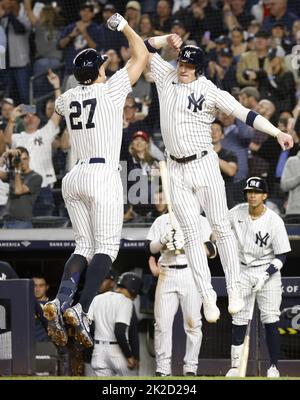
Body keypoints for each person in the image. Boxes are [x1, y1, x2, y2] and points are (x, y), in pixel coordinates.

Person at [144, 33, 293, 323]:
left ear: (199, 68)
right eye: (181, 63)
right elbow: (142, 48)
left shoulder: (210, 90)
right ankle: (208, 296)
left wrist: (277, 132)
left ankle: (235, 290)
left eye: (188, 65)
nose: (182, 68)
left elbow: (246, 114)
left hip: (204, 163)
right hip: (175, 168)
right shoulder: (166, 76)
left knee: (221, 228)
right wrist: (164, 40)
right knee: (190, 236)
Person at [43, 13, 148, 348]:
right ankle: (81, 309)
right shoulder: (112, 89)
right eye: (102, 64)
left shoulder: (69, 97)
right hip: (102, 174)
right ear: (99, 71)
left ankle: (60, 300)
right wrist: (126, 27)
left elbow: (57, 107)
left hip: (74, 176)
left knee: (83, 247)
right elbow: (141, 56)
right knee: (106, 249)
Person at [226, 177, 291, 378]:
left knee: (270, 319)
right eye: (249, 191)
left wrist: (266, 275)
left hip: (267, 271)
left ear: (265, 195)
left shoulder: (274, 220)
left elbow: (282, 254)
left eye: (256, 192)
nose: (252, 195)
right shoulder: (236, 213)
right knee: (238, 317)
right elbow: (219, 234)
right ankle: (235, 367)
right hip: (242, 270)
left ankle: (273, 366)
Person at [147, 213, 217, 377]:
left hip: (191, 273)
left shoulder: (200, 220)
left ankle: (190, 368)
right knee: (161, 324)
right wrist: (163, 241)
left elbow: (211, 250)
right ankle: (163, 369)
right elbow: (149, 248)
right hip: (166, 272)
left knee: (193, 323)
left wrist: (186, 244)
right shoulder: (162, 220)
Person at [87, 272, 143, 376]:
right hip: (118, 351)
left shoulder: (97, 298)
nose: (135, 297)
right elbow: (120, 332)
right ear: (132, 289)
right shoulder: (126, 302)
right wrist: (130, 356)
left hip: (98, 352)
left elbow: (89, 327)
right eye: (136, 293)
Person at [0, 147, 42, 228]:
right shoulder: (13, 174)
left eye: (25, 159)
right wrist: (4, 156)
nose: (22, 162)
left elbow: (18, 190)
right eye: (20, 159)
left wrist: (17, 169)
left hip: (22, 222)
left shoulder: (36, 177)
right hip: (7, 220)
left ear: (29, 159)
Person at [211, 120, 238, 209]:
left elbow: (231, 171)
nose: (214, 133)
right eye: (210, 129)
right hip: (204, 203)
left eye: (217, 130)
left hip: (225, 202)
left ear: (222, 135)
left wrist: (210, 154)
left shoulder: (229, 155)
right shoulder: (198, 156)